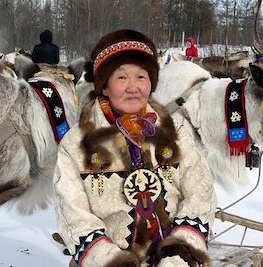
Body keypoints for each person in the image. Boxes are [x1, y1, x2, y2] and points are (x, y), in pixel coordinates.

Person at [53, 29, 217, 267]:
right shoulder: (76, 145)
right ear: (104, 87)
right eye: (121, 77)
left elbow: (200, 193)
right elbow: (74, 218)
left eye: (141, 77)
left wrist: (179, 256)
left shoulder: (176, 130)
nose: (133, 87)